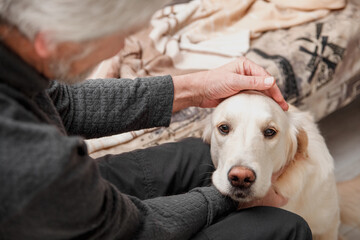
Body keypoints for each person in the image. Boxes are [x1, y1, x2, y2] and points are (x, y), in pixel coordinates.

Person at [0, 1, 312, 239]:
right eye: (118, 34)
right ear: (51, 40)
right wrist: (230, 196)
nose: (122, 46)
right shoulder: (32, 158)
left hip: (53, 201)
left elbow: (62, 102)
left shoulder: (13, 50)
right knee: (285, 228)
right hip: (97, 225)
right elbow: (136, 229)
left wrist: (196, 87)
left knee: (195, 155)